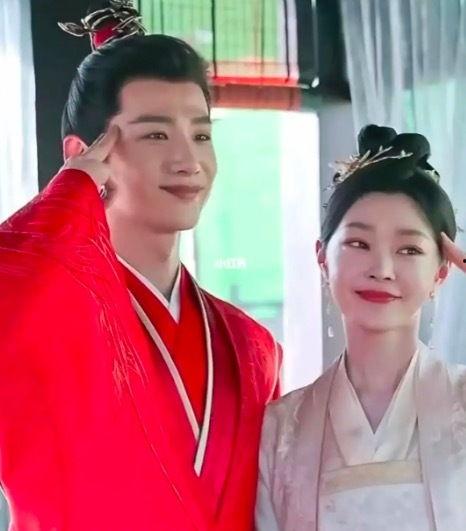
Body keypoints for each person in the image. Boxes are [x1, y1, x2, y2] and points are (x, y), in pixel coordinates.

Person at [0, 2, 281, 530]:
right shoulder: (50, 320)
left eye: (201, 135)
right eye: (155, 134)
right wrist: (71, 195)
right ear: (83, 155)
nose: (188, 161)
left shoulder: (251, 346)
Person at [256, 125, 466, 530]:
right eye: (358, 244)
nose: (382, 269)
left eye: (409, 249)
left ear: (441, 272)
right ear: (322, 259)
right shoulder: (281, 429)